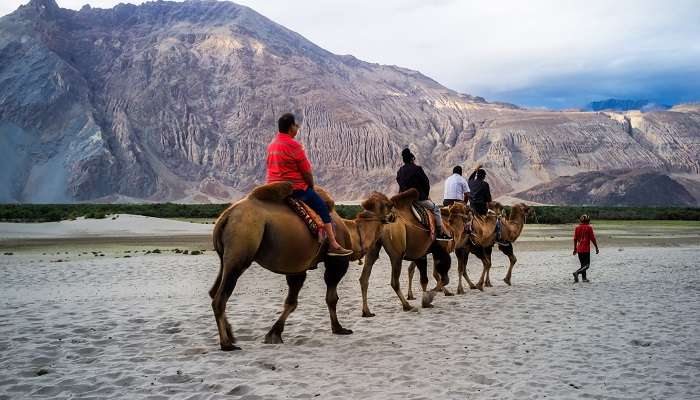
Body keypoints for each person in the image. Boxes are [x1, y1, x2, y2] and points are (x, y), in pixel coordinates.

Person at [266, 113, 353, 256]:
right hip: (293, 189)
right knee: (323, 208)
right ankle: (333, 243)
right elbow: (306, 172)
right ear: (290, 128)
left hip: (272, 188)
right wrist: (310, 186)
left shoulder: (272, 144)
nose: (297, 127)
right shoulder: (294, 145)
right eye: (295, 125)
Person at [396, 148, 451, 241]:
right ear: (412, 159)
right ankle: (440, 233)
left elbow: (400, 183)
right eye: (413, 159)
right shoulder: (417, 169)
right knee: (436, 209)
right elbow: (426, 183)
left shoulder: (400, 171)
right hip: (418, 199)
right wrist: (425, 195)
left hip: (404, 200)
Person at [572, 214, 599, 283]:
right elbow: (592, 238)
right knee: (587, 265)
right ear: (588, 220)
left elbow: (575, 239)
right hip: (586, 249)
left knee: (582, 265)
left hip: (579, 249)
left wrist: (575, 249)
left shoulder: (577, 228)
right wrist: (596, 247)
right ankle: (577, 273)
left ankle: (584, 278)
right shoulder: (589, 228)